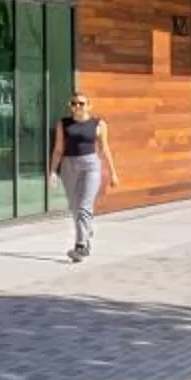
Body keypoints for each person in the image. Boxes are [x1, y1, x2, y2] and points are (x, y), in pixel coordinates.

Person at [49, 91, 118, 262]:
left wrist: (113, 173)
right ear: (70, 106)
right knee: (74, 207)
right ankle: (86, 232)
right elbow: (58, 149)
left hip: (90, 166)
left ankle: (80, 246)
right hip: (68, 166)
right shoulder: (63, 124)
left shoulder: (98, 124)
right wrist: (52, 171)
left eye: (81, 103)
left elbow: (104, 149)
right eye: (74, 103)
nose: (77, 106)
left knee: (83, 207)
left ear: (89, 105)